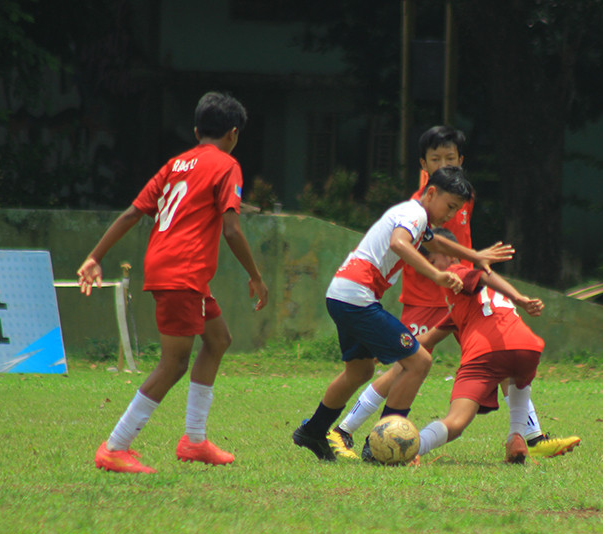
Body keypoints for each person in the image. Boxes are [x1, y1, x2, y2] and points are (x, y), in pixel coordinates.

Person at [328, 126, 576, 459]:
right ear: (423, 165)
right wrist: (443, 274)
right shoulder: (418, 206)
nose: (444, 164)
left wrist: (475, 260)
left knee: (498, 354)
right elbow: (417, 247)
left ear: (461, 160)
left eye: (450, 158)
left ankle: (530, 436)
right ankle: (343, 429)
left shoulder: (462, 197)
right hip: (425, 298)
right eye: (435, 159)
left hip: (460, 296)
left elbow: (454, 245)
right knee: (405, 366)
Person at [78, 91, 269, 474]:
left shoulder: (175, 165)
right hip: (184, 271)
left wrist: (95, 256)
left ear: (197, 131)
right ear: (233, 133)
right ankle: (115, 446)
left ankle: (195, 441)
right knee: (174, 363)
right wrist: (256, 275)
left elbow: (133, 213)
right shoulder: (227, 165)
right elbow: (232, 229)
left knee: (218, 339)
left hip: (173, 268)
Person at [292, 165, 514, 461]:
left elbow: (434, 242)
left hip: (342, 294)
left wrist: (474, 255)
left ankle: (313, 431)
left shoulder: (415, 217)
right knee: (419, 361)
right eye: (449, 206)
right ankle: (379, 446)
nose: (451, 215)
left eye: (456, 210)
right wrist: (436, 275)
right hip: (357, 296)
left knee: (360, 371)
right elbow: (398, 243)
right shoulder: (415, 214)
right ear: (431, 193)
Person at [374, 236, 568, 464]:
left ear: (449, 256)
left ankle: (413, 450)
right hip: (527, 348)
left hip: (486, 353)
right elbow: (427, 338)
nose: (430, 272)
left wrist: (519, 298)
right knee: (514, 377)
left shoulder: (457, 272)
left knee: (456, 422)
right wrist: (389, 349)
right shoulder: (465, 303)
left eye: (432, 263)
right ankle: (516, 436)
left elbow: (483, 274)